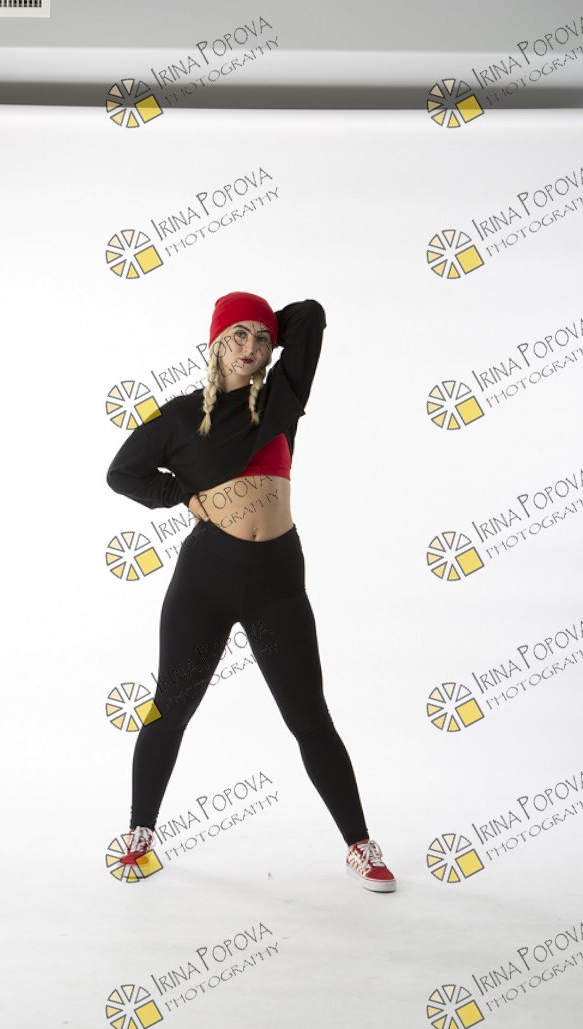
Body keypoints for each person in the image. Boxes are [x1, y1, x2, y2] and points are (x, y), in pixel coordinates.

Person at [106, 291, 396, 892]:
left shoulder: (285, 396)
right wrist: (182, 497)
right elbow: (122, 472)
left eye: (261, 338)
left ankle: (360, 844)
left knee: (309, 717)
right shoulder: (181, 416)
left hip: (277, 580)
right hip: (207, 577)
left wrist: (266, 323)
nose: (251, 346)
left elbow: (311, 314)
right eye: (237, 335)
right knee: (170, 709)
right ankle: (139, 832)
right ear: (214, 343)